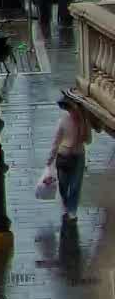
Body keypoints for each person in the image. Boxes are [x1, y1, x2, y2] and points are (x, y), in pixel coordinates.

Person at [50, 91, 95, 221]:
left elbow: (88, 140)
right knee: (63, 185)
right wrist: (50, 158)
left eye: (73, 108)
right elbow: (56, 140)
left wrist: (84, 128)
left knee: (75, 186)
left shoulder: (83, 121)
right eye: (69, 108)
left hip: (78, 156)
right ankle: (65, 205)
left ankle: (72, 210)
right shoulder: (63, 120)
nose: (71, 111)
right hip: (63, 156)